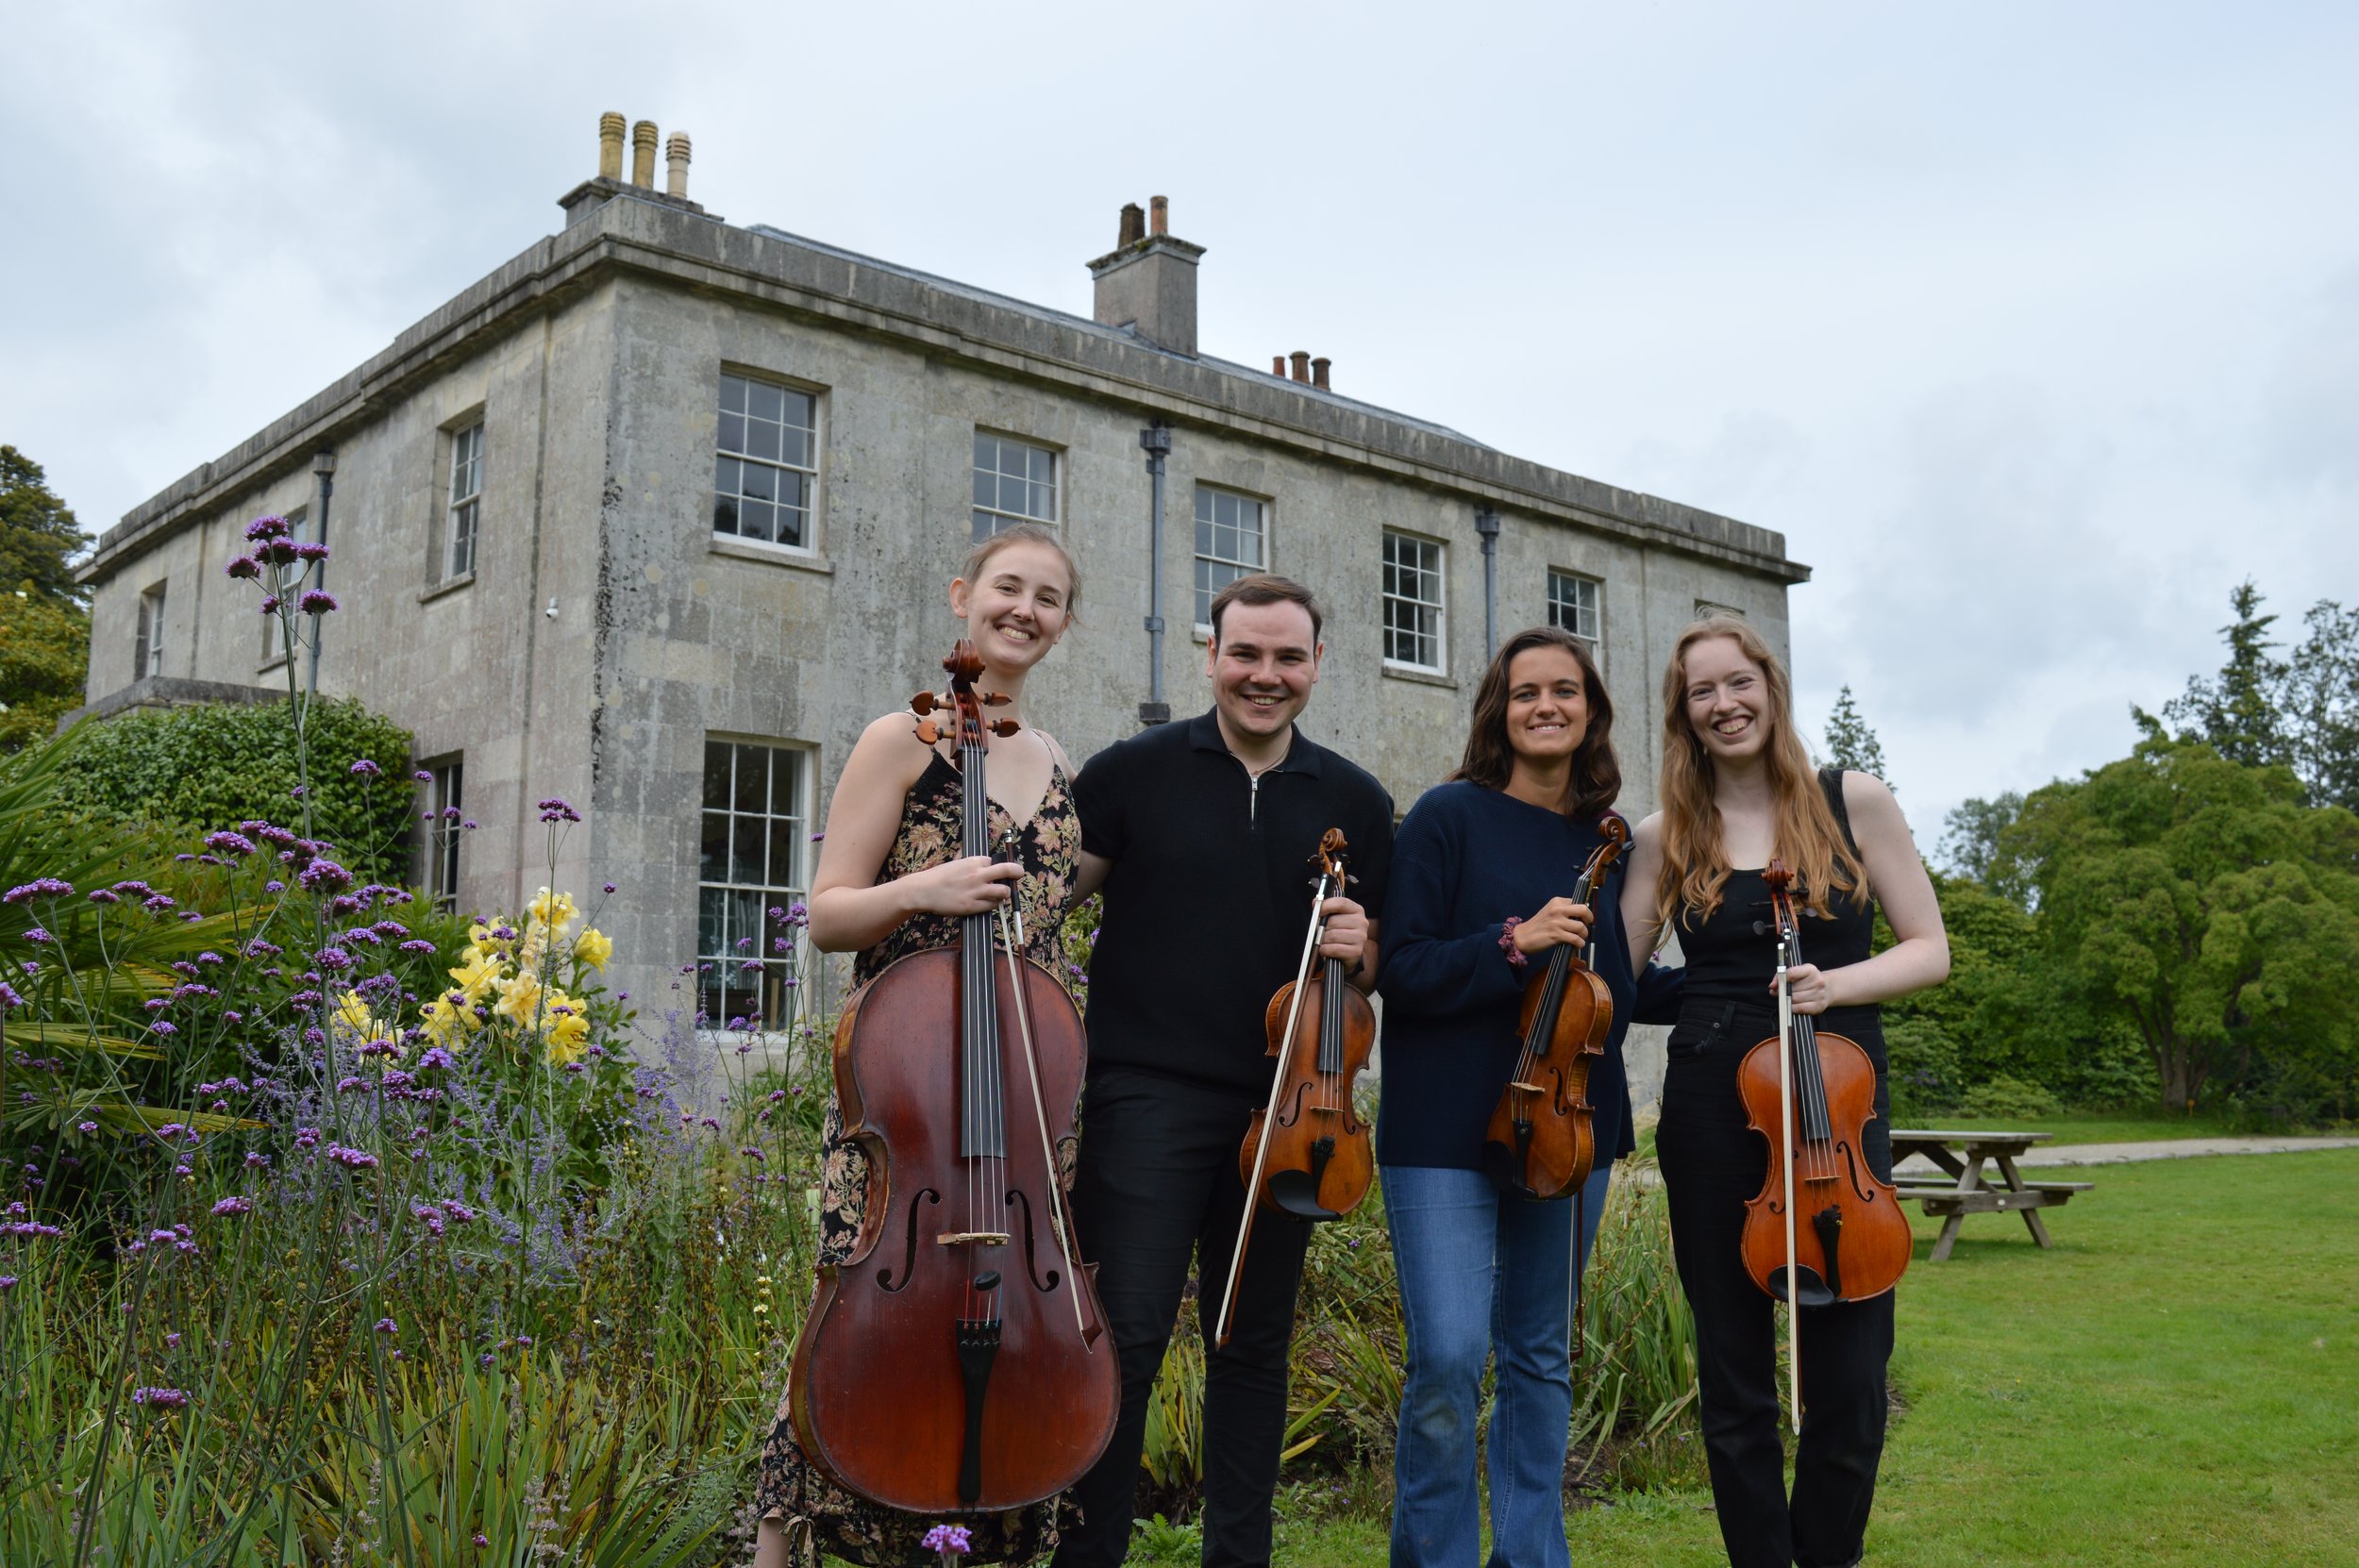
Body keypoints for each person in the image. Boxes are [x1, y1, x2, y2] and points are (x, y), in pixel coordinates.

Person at [753, 523, 1086, 1568]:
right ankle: (781, 1549)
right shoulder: (900, 737)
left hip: (1025, 1095)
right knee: (855, 1323)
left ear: (1064, 623)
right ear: (962, 594)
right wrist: (927, 889)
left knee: (1014, 1326)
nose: (1023, 609)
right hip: (910, 1091)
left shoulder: (1057, 760)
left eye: (1048, 597)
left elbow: (1055, 924)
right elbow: (829, 913)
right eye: (1006, 588)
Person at [1052, 574, 1394, 1568]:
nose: (1265, 676)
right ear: (1212, 656)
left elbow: (1378, 972)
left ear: (1317, 666)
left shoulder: (1356, 801)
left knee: (1251, 1351)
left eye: (1288, 657)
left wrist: (1358, 942)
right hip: (1145, 1099)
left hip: (1292, 1110)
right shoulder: (1132, 774)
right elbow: (1046, 902)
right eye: (1246, 654)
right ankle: (1087, 1556)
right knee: (1126, 1339)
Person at [1619, 616, 1949, 1568]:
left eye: (1738, 683)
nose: (1723, 705)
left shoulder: (1854, 801)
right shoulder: (1664, 832)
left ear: (1770, 685)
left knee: (1848, 1380)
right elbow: (1623, 973)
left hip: (1838, 1101)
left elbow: (1928, 949)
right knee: (1734, 1382)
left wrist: (1832, 986)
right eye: (1700, 692)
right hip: (1713, 1111)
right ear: (1682, 713)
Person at [1376, 625, 1681, 1568]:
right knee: (1450, 1357)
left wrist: (1744, 984)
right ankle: (1433, 1557)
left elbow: (1617, 990)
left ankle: (1531, 1556)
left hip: (1569, 1127)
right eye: (1524, 693)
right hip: (1440, 1129)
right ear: (1497, 714)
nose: (1544, 705)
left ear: (1590, 712)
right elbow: (1404, 968)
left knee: (1541, 1357)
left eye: (1564, 691)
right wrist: (1514, 943)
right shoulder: (1445, 816)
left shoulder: (1611, 845)